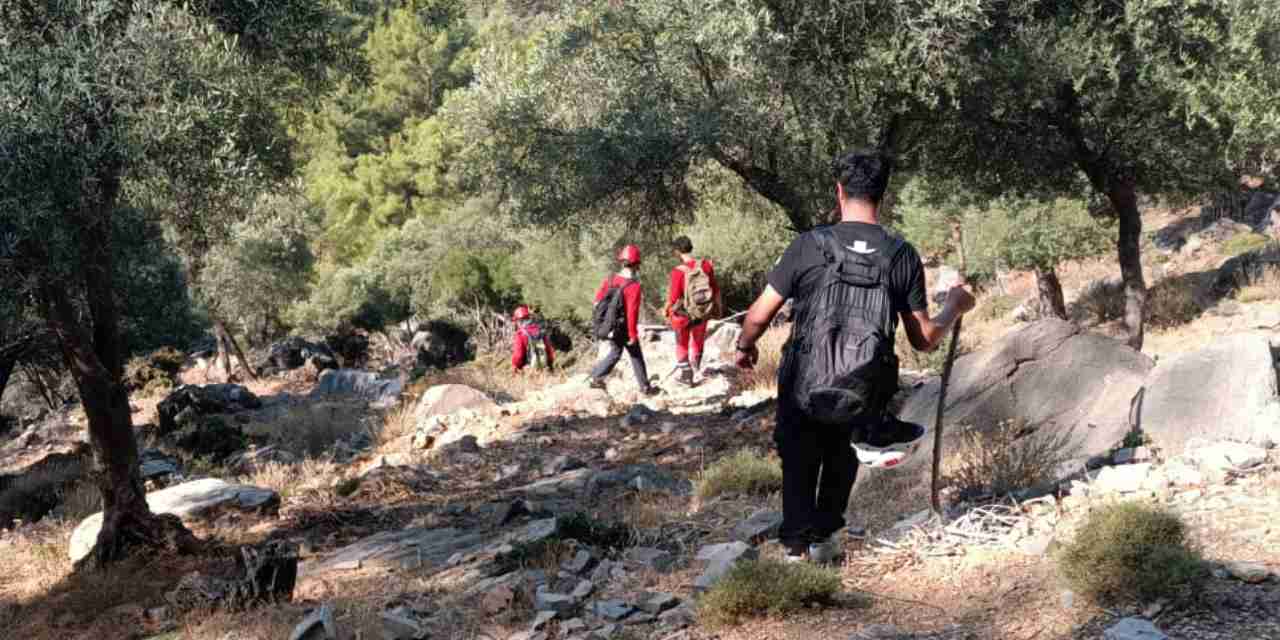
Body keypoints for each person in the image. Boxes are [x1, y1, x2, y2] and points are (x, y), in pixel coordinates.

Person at [733, 150, 975, 564]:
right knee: (842, 449)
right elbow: (924, 340)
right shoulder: (901, 255)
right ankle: (825, 539)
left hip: (804, 375)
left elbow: (758, 315)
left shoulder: (809, 245)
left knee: (798, 452)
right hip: (864, 381)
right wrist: (956, 305)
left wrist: (745, 346)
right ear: (883, 194)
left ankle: (795, 549)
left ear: (840, 191)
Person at [589, 244, 659, 396]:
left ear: (622, 262)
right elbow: (631, 313)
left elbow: (596, 302)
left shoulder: (610, 279)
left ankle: (597, 376)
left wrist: (605, 322)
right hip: (624, 327)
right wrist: (633, 335)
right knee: (633, 354)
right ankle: (644, 388)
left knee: (618, 351)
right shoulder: (634, 286)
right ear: (637, 264)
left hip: (609, 325)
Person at [663, 236, 723, 385]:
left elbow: (674, 298)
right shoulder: (705, 265)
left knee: (681, 343)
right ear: (691, 247)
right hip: (702, 310)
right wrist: (718, 309)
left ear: (677, 252)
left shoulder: (677, 272)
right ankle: (696, 369)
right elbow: (715, 290)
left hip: (683, 315)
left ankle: (686, 374)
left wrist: (667, 311)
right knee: (698, 339)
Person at [511, 304, 555, 372]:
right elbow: (549, 350)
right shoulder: (540, 330)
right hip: (545, 368)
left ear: (519, 321)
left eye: (516, 321)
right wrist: (550, 365)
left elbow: (518, 356)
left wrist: (515, 367)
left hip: (529, 370)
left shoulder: (520, 334)